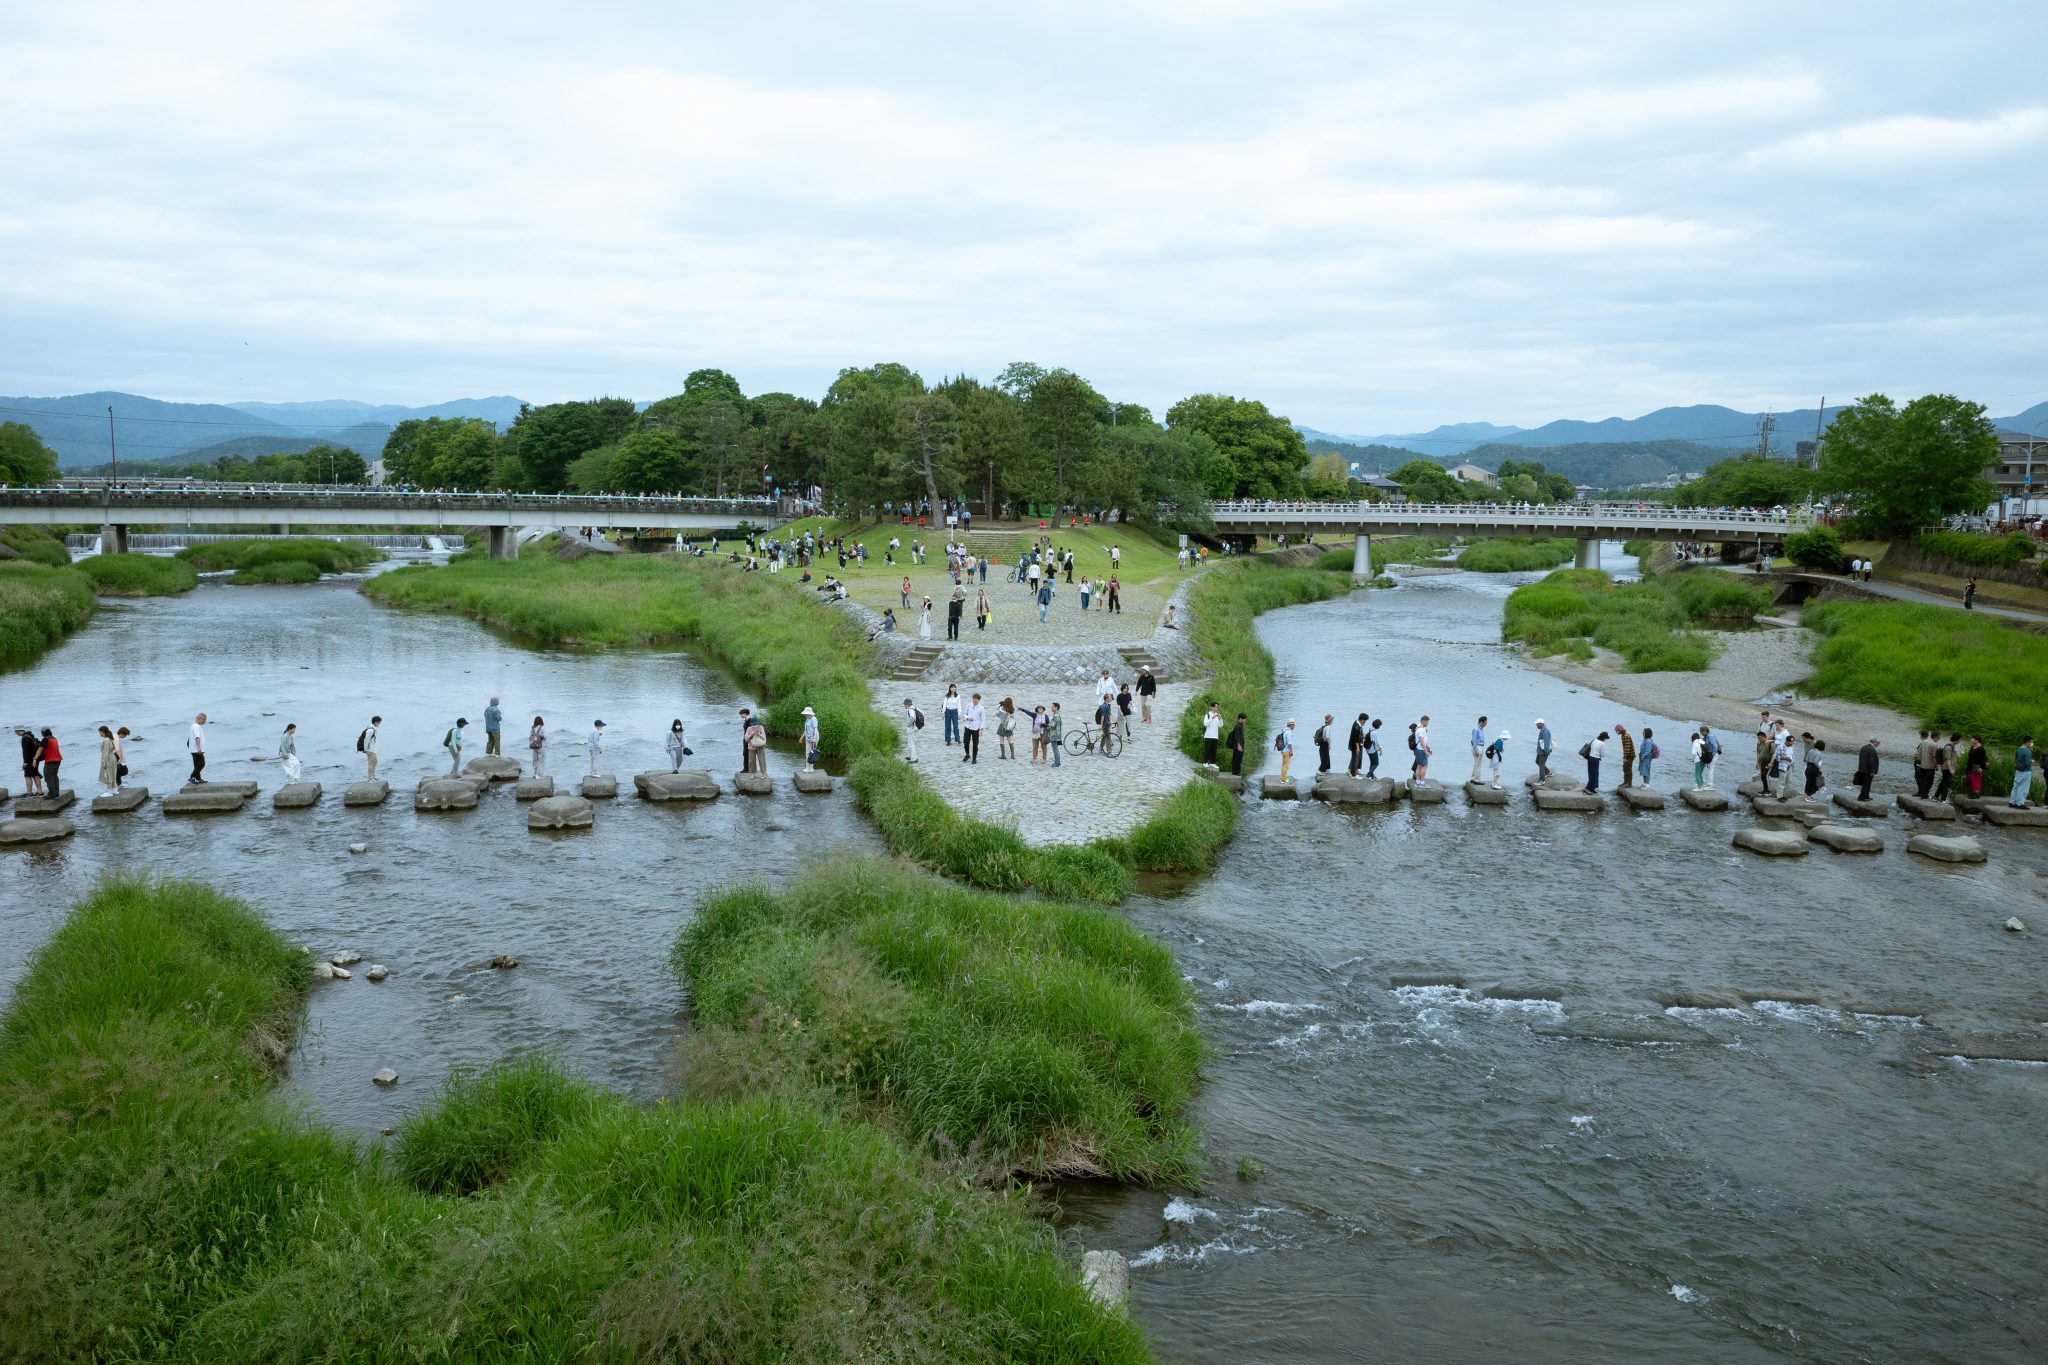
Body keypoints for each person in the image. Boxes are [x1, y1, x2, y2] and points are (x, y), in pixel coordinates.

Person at [2011, 735, 2036, 808]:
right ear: (2027, 742)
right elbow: (2027, 762)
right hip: (2026, 771)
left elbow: (2016, 759)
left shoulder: (2018, 749)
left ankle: (2012, 802)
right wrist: (2032, 761)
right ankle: (2020, 804)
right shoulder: (2028, 751)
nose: (2032, 744)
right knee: (2023, 788)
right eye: (2031, 742)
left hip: (2018, 770)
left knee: (2016, 786)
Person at [1853, 736, 1881, 801]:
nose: (1878, 744)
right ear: (1875, 742)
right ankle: (1862, 797)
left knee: (1865, 784)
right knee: (1867, 784)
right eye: (1878, 743)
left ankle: (1866, 796)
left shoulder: (1864, 747)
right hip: (1868, 770)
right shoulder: (1872, 749)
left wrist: (1860, 768)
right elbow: (1872, 761)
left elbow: (1861, 758)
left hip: (1862, 769)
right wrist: (1873, 771)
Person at [1934, 731, 1959, 800]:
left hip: (1948, 768)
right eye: (1960, 740)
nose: (1960, 741)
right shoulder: (1948, 747)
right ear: (1956, 740)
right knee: (1946, 784)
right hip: (1946, 768)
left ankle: (1936, 796)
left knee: (1943, 783)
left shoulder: (1952, 746)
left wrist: (1954, 768)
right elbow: (1948, 759)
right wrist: (1951, 769)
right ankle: (1943, 799)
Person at [961, 693, 984, 764]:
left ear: (979, 700)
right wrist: (967, 717)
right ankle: (967, 754)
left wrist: (981, 729)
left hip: (975, 728)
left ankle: (974, 758)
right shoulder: (969, 705)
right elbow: (965, 714)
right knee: (966, 742)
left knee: (975, 744)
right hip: (967, 726)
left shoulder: (981, 708)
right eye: (974, 699)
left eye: (976, 699)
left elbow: (983, 720)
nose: (974, 700)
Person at [97, 725, 119, 797]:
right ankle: (114, 790)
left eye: (99, 732)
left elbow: (106, 752)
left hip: (109, 758)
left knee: (108, 774)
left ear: (102, 732)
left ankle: (109, 792)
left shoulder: (106, 740)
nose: (99, 734)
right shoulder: (110, 738)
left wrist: (104, 762)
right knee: (113, 773)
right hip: (113, 757)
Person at [17, 727, 40, 797]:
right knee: (35, 774)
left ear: (20, 731)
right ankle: (40, 791)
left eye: (16, 731)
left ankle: (29, 793)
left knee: (27, 776)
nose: (16, 733)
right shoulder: (30, 736)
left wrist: (25, 762)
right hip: (35, 759)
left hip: (30, 760)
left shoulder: (25, 738)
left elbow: (25, 751)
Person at [39, 727, 61, 799]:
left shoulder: (45, 739)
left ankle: (51, 795)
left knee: (49, 777)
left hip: (50, 760)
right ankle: (56, 793)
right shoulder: (54, 738)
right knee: (54, 776)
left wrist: (35, 758)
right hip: (58, 759)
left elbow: (40, 749)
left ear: (43, 733)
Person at [187, 712, 208, 784]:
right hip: (197, 750)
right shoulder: (196, 726)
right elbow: (197, 737)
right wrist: (199, 748)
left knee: (197, 765)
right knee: (202, 764)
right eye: (204, 719)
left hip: (194, 750)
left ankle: (198, 779)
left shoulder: (193, 726)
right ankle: (192, 777)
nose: (205, 721)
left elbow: (189, 739)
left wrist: (191, 748)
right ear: (199, 718)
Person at [1614, 724, 1636, 790]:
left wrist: (1625, 757)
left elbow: (1627, 748)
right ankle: (1625, 782)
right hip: (1628, 755)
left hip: (1630, 755)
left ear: (1620, 730)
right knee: (1625, 768)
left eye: (1616, 730)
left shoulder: (1626, 736)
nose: (1616, 732)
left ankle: (1628, 783)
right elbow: (1626, 748)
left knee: (1628, 769)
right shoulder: (1623, 735)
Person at [360, 715, 381, 779]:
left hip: (373, 749)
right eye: (379, 722)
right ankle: (370, 779)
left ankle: (373, 776)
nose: (379, 724)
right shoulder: (371, 730)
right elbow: (366, 740)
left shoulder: (373, 729)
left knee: (375, 762)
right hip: (370, 750)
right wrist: (365, 749)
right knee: (371, 764)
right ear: (375, 722)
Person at [1469, 716, 1489, 783]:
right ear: (1480, 722)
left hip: (1481, 746)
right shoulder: (1476, 729)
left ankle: (1473, 778)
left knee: (1477, 763)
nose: (1485, 725)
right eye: (1485, 723)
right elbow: (1474, 740)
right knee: (1478, 764)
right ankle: (1477, 779)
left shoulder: (1482, 729)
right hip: (1477, 747)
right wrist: (1476, 750)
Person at [1698, 724, 1718, 788]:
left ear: (1706, 731)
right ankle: (1707, 784)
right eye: (1700, 732)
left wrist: (1712, 756)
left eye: (1701, 732)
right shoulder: (1705, 737)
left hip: (1713, 755)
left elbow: (1715, 747)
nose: (1701, 733)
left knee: (1710, 770)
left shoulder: (1710, 736)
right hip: (1709, 754)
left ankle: (1710, 785)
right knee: (1708, 769)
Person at [1277, 718, 1297, 782]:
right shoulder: (1288, 732)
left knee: (1284, 765)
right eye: (1294, 724)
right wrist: (1291, 751)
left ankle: (1283, 777)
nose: (1294, 726)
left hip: (1283, 751)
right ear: (1291, 725)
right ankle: (1283, 780)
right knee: (1286, 766)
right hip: (1287, 751)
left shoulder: (1285, 730)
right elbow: (1289, 743)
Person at [1347, 713, 1366, 777]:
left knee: (1358, 757)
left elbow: (1358, 734)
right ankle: (1350, 771)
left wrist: (1362, 735)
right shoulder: (1356, 726)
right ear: (1362, 720)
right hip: (1355, 745)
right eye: (1365, 721)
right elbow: (1355, 738)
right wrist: (1357, 747)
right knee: (1355, 758)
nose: (1365, 722)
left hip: (1359, 744)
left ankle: (1356, 769)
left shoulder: (1357, 723)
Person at [1413, 715, 1432, 782]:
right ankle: (1422, 783)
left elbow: (1424, 740)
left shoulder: (1419, 727)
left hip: (1417, 749)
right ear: (1423, 721)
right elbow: (1421, 741)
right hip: (1421, 750)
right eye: (1427, 721)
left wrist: (1428, 747)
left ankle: (1418, 781)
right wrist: (1426, 751)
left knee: (1419, 765)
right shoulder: (1421, 729)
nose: (1428, 723)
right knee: (1424, 766)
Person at [113, 726, 130, 790]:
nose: (125, 737)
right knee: (123, 771)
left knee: (118, 772)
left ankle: (118, 784)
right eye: (125, 735)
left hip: (116, 758)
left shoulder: (116, 737)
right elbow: (116, 750)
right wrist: (118, 760)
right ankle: (117, 785)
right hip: (116, 758)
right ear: (121, 733)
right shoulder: (116, 739)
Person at [1048, 703, 1064, 767]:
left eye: (1052, 706)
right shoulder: (1056, 715)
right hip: (1056, 734)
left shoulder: (1056, 715)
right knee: (1055, 748)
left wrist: (1045, 725)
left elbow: (1052, 725)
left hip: (1054, 735)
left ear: (1056, 707)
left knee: (1055, 749)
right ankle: (1057, 762)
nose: (1051, 708)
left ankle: (1057, 763)